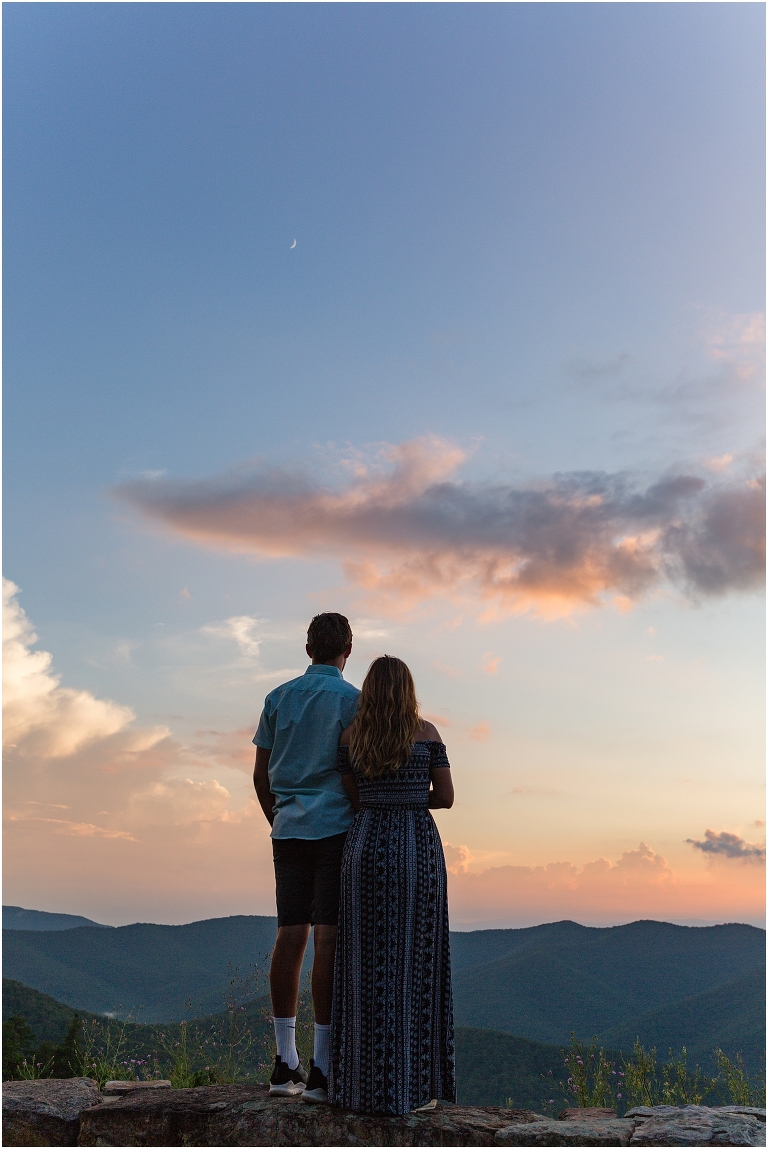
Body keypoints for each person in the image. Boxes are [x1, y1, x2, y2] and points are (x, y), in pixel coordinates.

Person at [329, 655, 456, 1115]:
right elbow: (445, 797)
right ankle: (416, 1088)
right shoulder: (428, 736)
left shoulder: (350, 739)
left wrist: (383, 797)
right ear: (408, 689)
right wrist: (408, 797)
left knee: (362, 965)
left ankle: (358, 1087)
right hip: (416, 850)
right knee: (417, 966)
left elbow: (355, 796)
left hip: (364, 850)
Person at [253, 612, 360, 1103]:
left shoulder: (278, 698)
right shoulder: (354, 702)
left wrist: (278, 816)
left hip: (288, 826)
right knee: (329, 938)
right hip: (337, 826)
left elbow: (260, 774)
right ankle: (322, 1065)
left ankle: (283, 1061)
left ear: (308, 648)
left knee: (289, 933)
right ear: (349, 649)